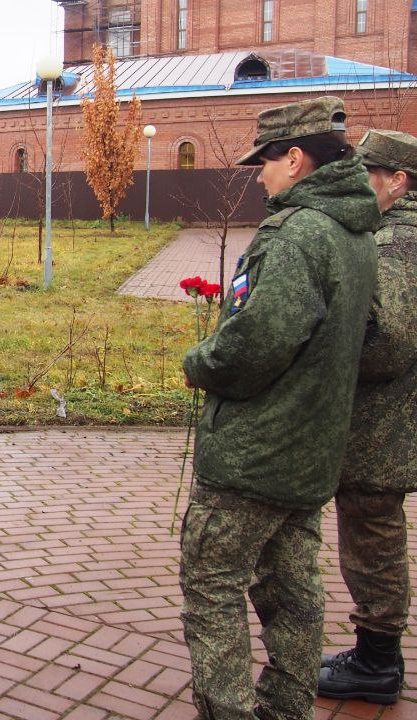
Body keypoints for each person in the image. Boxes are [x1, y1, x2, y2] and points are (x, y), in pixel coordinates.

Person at [179, 96, 379, 720]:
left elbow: (257, 343)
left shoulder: (297, 234)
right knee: (293, 590)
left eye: (264, 161)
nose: (259, 175)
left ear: (294, 159)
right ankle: (287, 707)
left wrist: (200, 362)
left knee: (212, 585)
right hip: (310, 453)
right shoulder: (355, 231)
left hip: (255, 456)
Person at [317, 128, 417, 705]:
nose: (359, 184)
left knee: (373, 537)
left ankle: (377, 663)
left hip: (382, 426)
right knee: (375, 532)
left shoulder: (397, 243)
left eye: (368, 174)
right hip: (391, 421)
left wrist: (327, 357)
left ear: (398, 181)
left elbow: (390, 343)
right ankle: (378, 654)